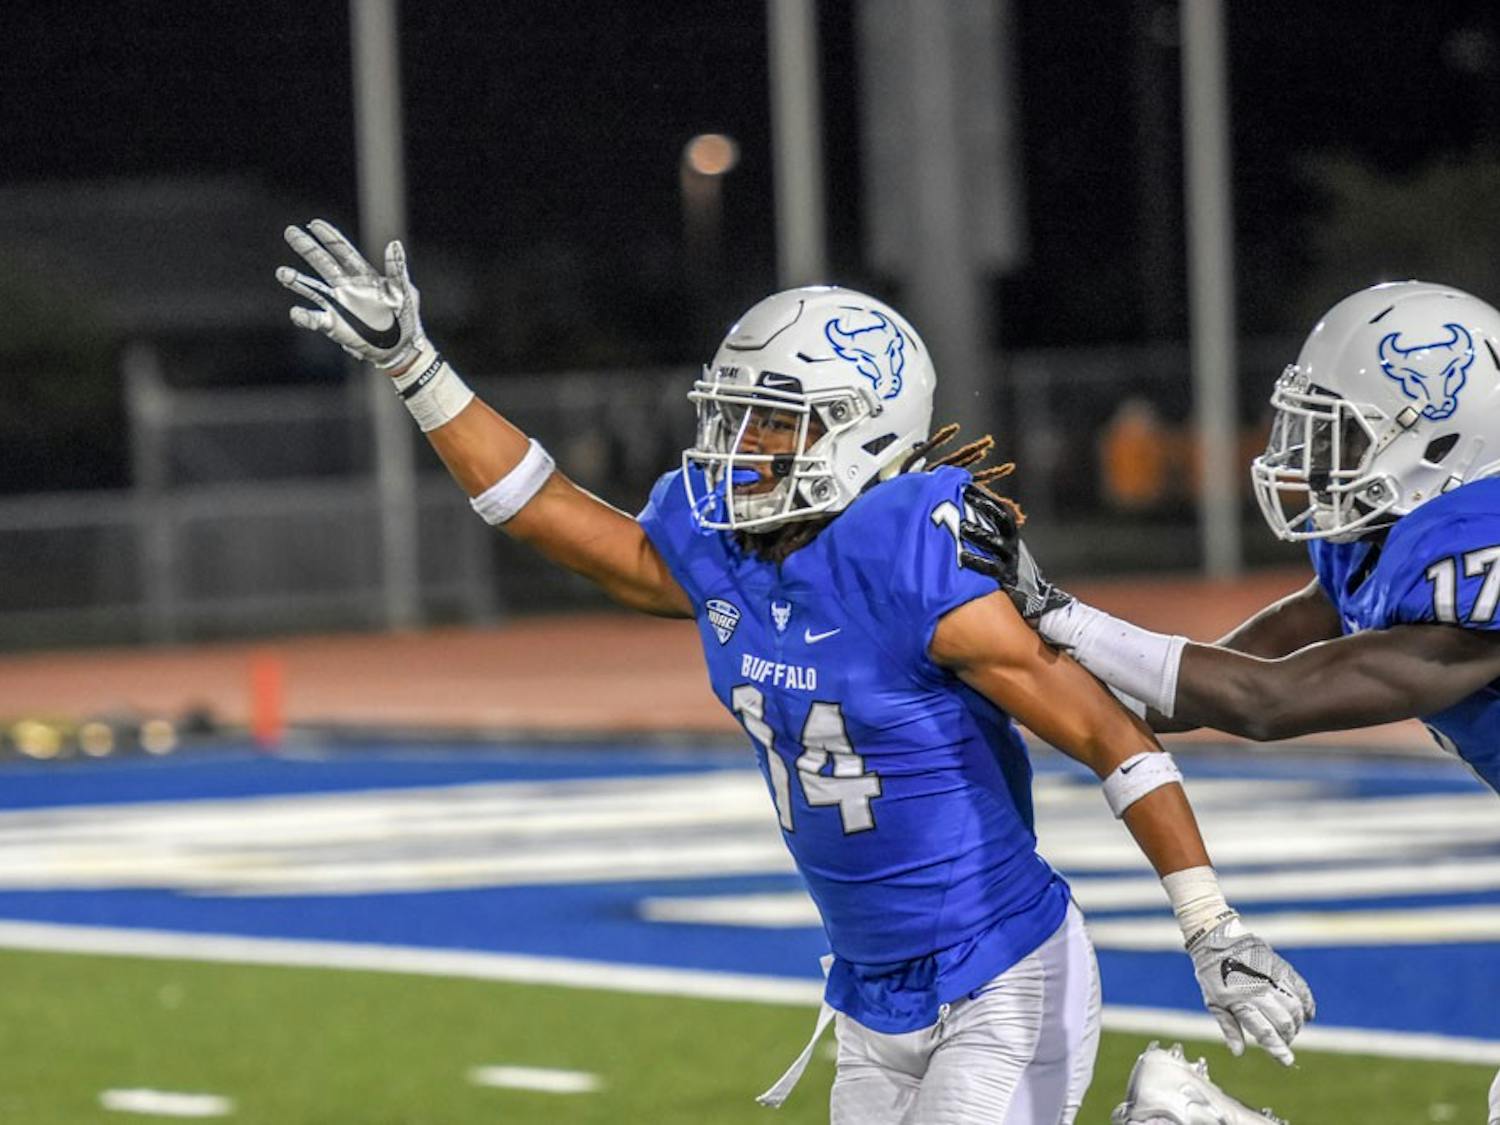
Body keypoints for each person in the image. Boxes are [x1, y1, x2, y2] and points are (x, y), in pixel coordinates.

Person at [275, 219, 1313, 1124]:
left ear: (863, 428)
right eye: (734, 413)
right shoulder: (725, 545)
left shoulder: (915, 556)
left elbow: (1111, 737)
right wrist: (417, 366)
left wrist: (1209, 928)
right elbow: (544, 512)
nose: (740, 443)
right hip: (870, 993)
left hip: (1000, 973)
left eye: (775, 419)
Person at [960, 278, 1500, 1125]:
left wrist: (1051, 607)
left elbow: (1267, 701)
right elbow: (1206, 685)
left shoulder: (1476, 554)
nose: (1315, 459)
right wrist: (1010, 650)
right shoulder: (1388, 545)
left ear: (1439, 442)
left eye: (1346, 434)